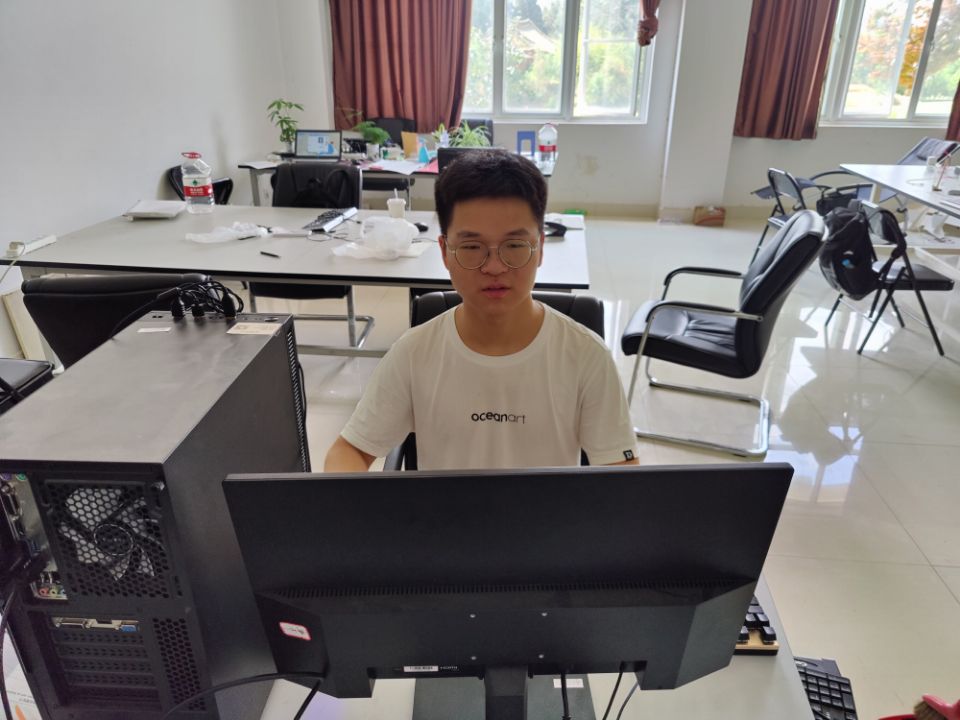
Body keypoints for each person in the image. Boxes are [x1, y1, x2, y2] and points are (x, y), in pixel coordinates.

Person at [324, 149, 638, 471]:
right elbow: (348, 451)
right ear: (445, 252)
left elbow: (621, 474)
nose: (494, 266)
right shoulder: (413, 354)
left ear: (540, 248)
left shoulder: (586, 357)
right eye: (472, 247)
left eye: (514, 245)